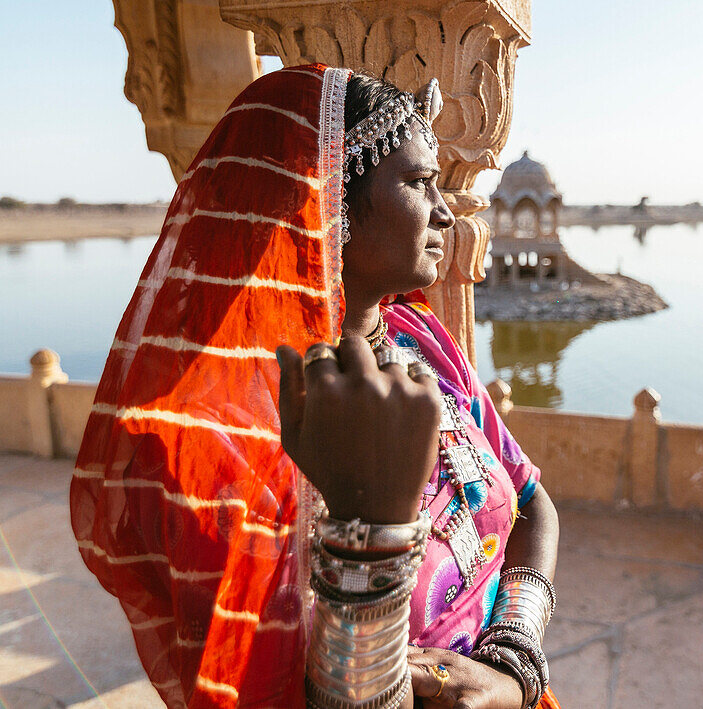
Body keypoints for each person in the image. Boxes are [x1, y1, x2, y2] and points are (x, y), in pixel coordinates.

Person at [70, 64, 561, 709]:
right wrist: (373, 527)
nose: (446, 214)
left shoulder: (421, 342)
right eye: (417, 182)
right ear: (326, 202)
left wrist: (512, 661)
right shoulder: (233, 440)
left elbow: (533, 501)